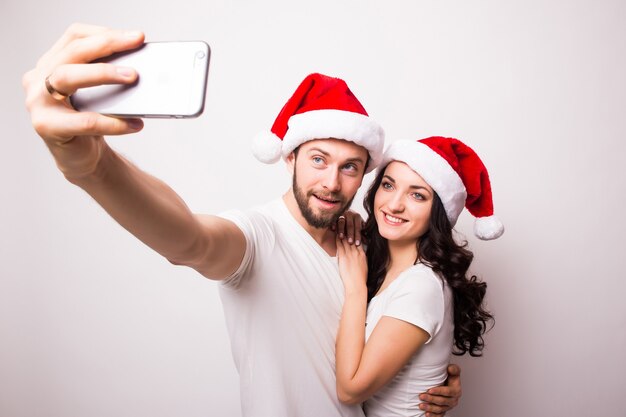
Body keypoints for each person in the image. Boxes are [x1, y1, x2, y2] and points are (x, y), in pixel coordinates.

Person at [22, 24, 462, 417]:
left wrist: (433, 379)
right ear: (289, 156)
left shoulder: (363, 244)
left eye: (350, 167)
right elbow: (191, 239)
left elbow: (391, 339)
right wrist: (91, 165)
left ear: (365, 173)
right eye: (318, 159)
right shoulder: (258, 237)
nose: (331, 182)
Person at [334, 137, 504, 416]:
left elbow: (350, 390)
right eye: (388, 185)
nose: (394, 204)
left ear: (438, 212)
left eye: (417, 195)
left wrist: (355, 289)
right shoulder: (380, 262)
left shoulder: (420, 286)